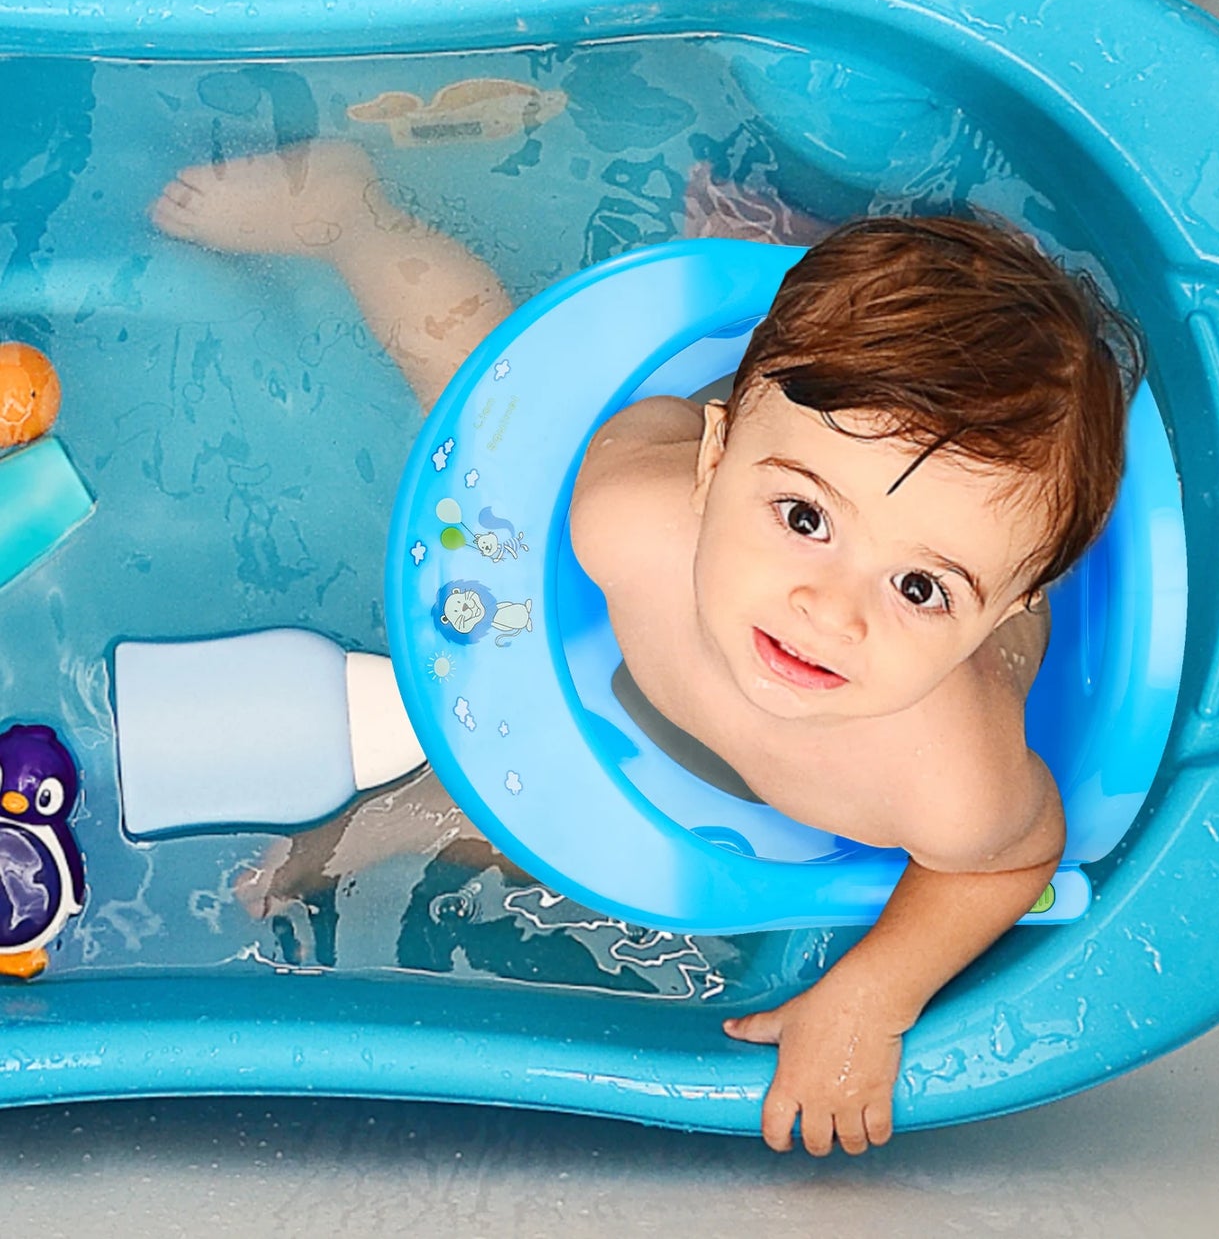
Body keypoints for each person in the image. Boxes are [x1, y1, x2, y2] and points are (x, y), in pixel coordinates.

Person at [152, 139, 1140, 1158]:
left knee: (573, 841)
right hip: (693, 497)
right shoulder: (630, 518)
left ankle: (425, 812)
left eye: (921, 586)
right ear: (714, 463)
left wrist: (871, 996)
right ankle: (351, 216)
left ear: (1005, 609)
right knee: (478, 379)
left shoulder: (945, 776)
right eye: (802, 517)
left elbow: (1007, 862)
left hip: (740, 696)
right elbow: (615, 419)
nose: (828, 609)